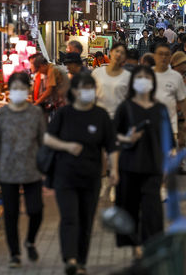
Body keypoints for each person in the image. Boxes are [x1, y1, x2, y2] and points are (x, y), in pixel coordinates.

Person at [44, 73, 119, 275]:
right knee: (69, 217)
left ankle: (82, 262)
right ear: (75, 91)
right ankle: (70, 258)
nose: (88, 92)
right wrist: (67, 146)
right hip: (65, 175)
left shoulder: (101, 116)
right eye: (84, 88)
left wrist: (115, 172)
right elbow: (48, 139)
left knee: (86, 219)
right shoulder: (64, 114)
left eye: (91, 88)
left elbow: (111, 146)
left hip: (91, 177)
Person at [114, 66, 175, 260]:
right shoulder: (125, 107)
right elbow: (112, 136)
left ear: (153, 81)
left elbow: (168, 141)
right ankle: (135, 247)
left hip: (154, 167)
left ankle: (152, 246)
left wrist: (168, 165)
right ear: (132, 82)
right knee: (129, 208)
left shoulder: (160, 109)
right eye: (139, 77)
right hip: (128, 166)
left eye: (147, 77)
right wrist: (126, 141)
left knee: (153, 210)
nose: (143, 80)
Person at [0, 72, 46, 268]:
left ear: (28, 90)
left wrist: (46, 167)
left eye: (22, 88)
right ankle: (14, 253)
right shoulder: (2, 114)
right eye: (15, 89)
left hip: (32, 169)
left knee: (36, 210)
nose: (19, 92)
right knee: (10, 214)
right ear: (9, 91)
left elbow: (42, 141)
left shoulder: (35, 113)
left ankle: (30, 241)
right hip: (7, 169)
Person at [153, 43, 186, 175]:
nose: (163, 57)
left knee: (174, 148)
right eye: (160, 54)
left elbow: (184, 99)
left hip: (173, 122)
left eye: (166, 55)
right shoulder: (148, 75)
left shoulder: (178, 77)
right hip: (153, 123)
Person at [91, 43, 131, 119]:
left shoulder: (128, 76)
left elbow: (129, 99)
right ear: (111, 52)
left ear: (125, 58)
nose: (119, 55)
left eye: (122, 53)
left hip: (119, 118)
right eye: (117, 51)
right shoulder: (96, 73)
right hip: (99, 116)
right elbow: (92, 96)